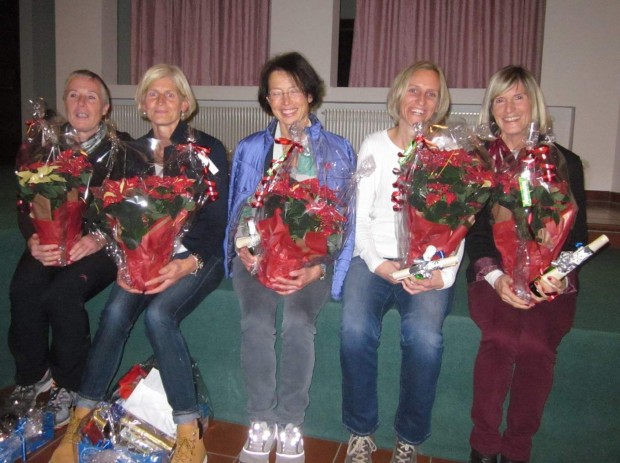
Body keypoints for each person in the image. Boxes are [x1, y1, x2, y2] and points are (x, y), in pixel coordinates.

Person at [50, 64, 229, 463]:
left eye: (170, 94)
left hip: (198, 257)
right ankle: (79, 423)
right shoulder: (129, 153)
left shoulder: (208, 149)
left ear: (185, 103)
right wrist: (129, 263)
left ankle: (188, 432)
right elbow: (116, 218)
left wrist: (187, 263)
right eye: (152, 94)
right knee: (114, 313)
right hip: (144, 259)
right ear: (142, 105)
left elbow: (218, 221)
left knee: (159, 316)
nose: (161, 101)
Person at [224, 52, 356, 463]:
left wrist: (318, 268)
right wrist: (245, 251)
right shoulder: (251, 148)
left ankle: (291, 423)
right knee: (257, 321)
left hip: (313, 261)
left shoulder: (336, 149)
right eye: (275, 93)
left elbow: (343, 219)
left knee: (299, 324)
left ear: (311, 95)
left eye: (294, 91)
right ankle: (261, 420)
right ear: (266, 99)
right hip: (258, 255)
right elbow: (238, 209)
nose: (285, 101)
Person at [340, 61, 464, 463]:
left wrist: (441, 277)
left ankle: (409, 438)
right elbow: (358, 218)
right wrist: (378, 264)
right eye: (414, 90)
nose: (421, 101)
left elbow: (457, 223)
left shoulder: (450, 152)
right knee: (355, 329)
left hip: (428, 263)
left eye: (431, 94)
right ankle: (361, 431)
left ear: (439, 102)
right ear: (398, 95)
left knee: (425, 339)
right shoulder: (374, 145)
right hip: (373, 259)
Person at [466, 65, 587, 463]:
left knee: (536, 346)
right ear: (491, 109)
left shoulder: (565, 162)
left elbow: (580, 234)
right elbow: (476, 232)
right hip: (495, 277)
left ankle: (517, 450)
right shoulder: (478, 161)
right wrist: (498, 278)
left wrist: (557, 274)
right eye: (499, 99)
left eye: (518, 96)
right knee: (500, 340)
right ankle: (483, 447)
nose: (509, 107)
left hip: (551, 281)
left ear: (534, 103)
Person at [8, 70, 130, 427]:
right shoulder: (46, 146)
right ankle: (33, 376)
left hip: (103, 245)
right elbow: (25, 200)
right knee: (24, 287)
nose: (81, 103)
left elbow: (130, 208)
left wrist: (99, 238)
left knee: (63, 292)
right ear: (65, 102)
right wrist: (33, 235)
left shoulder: (121, 150)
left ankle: (72, 386)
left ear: (105, 108)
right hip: (53, 239)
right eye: (74, 95)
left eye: (91, 97)